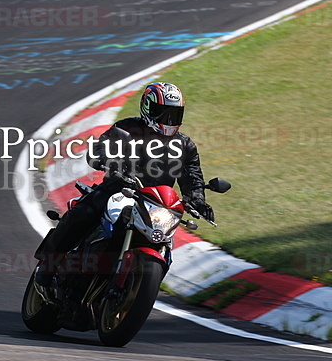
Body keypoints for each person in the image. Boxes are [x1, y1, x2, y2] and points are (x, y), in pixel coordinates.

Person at [35, 81, 213, 286]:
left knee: (164, 246)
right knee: (82, 213)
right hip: (117, 190)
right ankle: (49, 266)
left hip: (155, 204)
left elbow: (192, 175)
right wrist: (106, 159)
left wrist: (197, 199)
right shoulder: (126, 128)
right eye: (162, 112)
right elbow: (100, 149)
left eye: (174, 114)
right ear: (148, 108)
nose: (168, 120)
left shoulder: (184, 145)